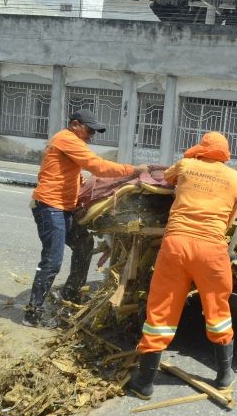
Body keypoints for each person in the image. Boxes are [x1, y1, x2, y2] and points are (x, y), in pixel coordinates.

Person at [126, 131, 237, 400]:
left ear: (201, 148)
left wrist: (190, 159)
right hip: (212, 250)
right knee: (218, 309)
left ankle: (144, 382)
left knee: (161, 310)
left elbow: (165, 180)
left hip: (176, 245)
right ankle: (225, 376)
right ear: (225, 154)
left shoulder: (187, 165)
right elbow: (230, 217)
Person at [24, 109, 148, 328]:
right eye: (89, 130)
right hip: (50, 207)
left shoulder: (69, 142)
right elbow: (97, 166)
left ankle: (71, 294)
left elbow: (69, 172)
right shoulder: (67, 139)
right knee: (52, 261)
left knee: (84, 245)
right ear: (75, 124)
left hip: (64, 208)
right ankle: (33, 313)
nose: (91, 135)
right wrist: (133, 170)